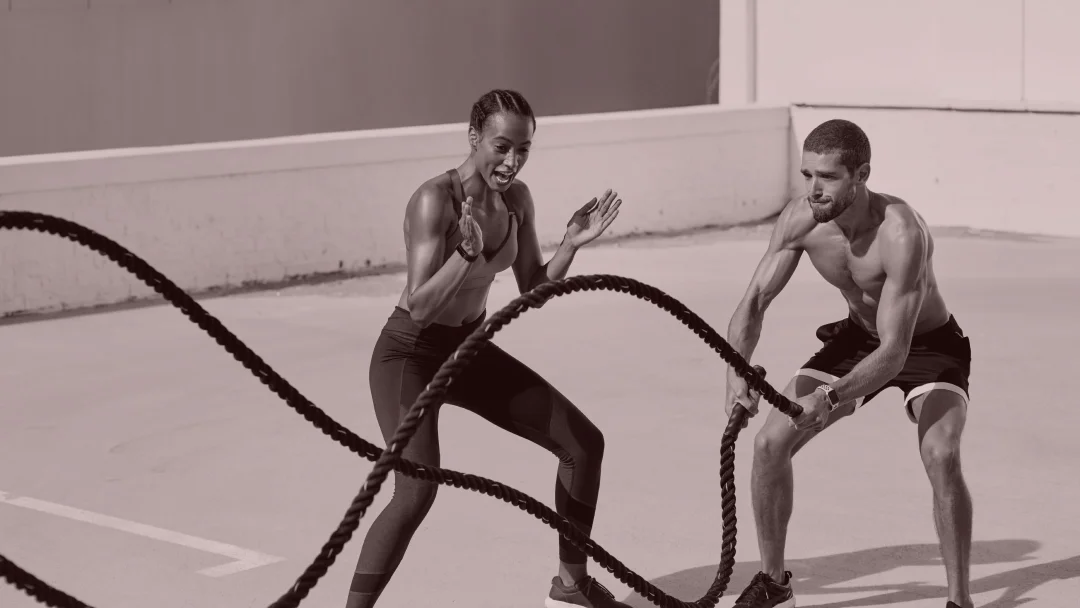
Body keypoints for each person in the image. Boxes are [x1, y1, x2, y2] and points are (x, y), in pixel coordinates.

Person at [345, 89, 627, 608]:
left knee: (583, 444)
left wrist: (570, 245)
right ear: (474, 137)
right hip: (409, 353)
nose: (512, 161)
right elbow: (422, 306)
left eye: (523, 149)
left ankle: (570, 586)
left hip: (467, 349)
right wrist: (464, 256)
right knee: (415, 490)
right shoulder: (436, 199)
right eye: (501, 146)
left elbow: (532, 290)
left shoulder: (517, 200)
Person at [722, 119, 975, 608]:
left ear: (861, 174)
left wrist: (831, 396)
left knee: (941, 455)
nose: (813, 190)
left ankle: (960, 600)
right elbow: (753, 300)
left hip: (926, 345)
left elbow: (896, 350)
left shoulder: (902, 232)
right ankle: (774, 585)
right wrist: (736, 369)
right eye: (807, 175)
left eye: (828, 177)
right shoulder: (801, 220)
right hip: (858, 339)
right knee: (770, 444)